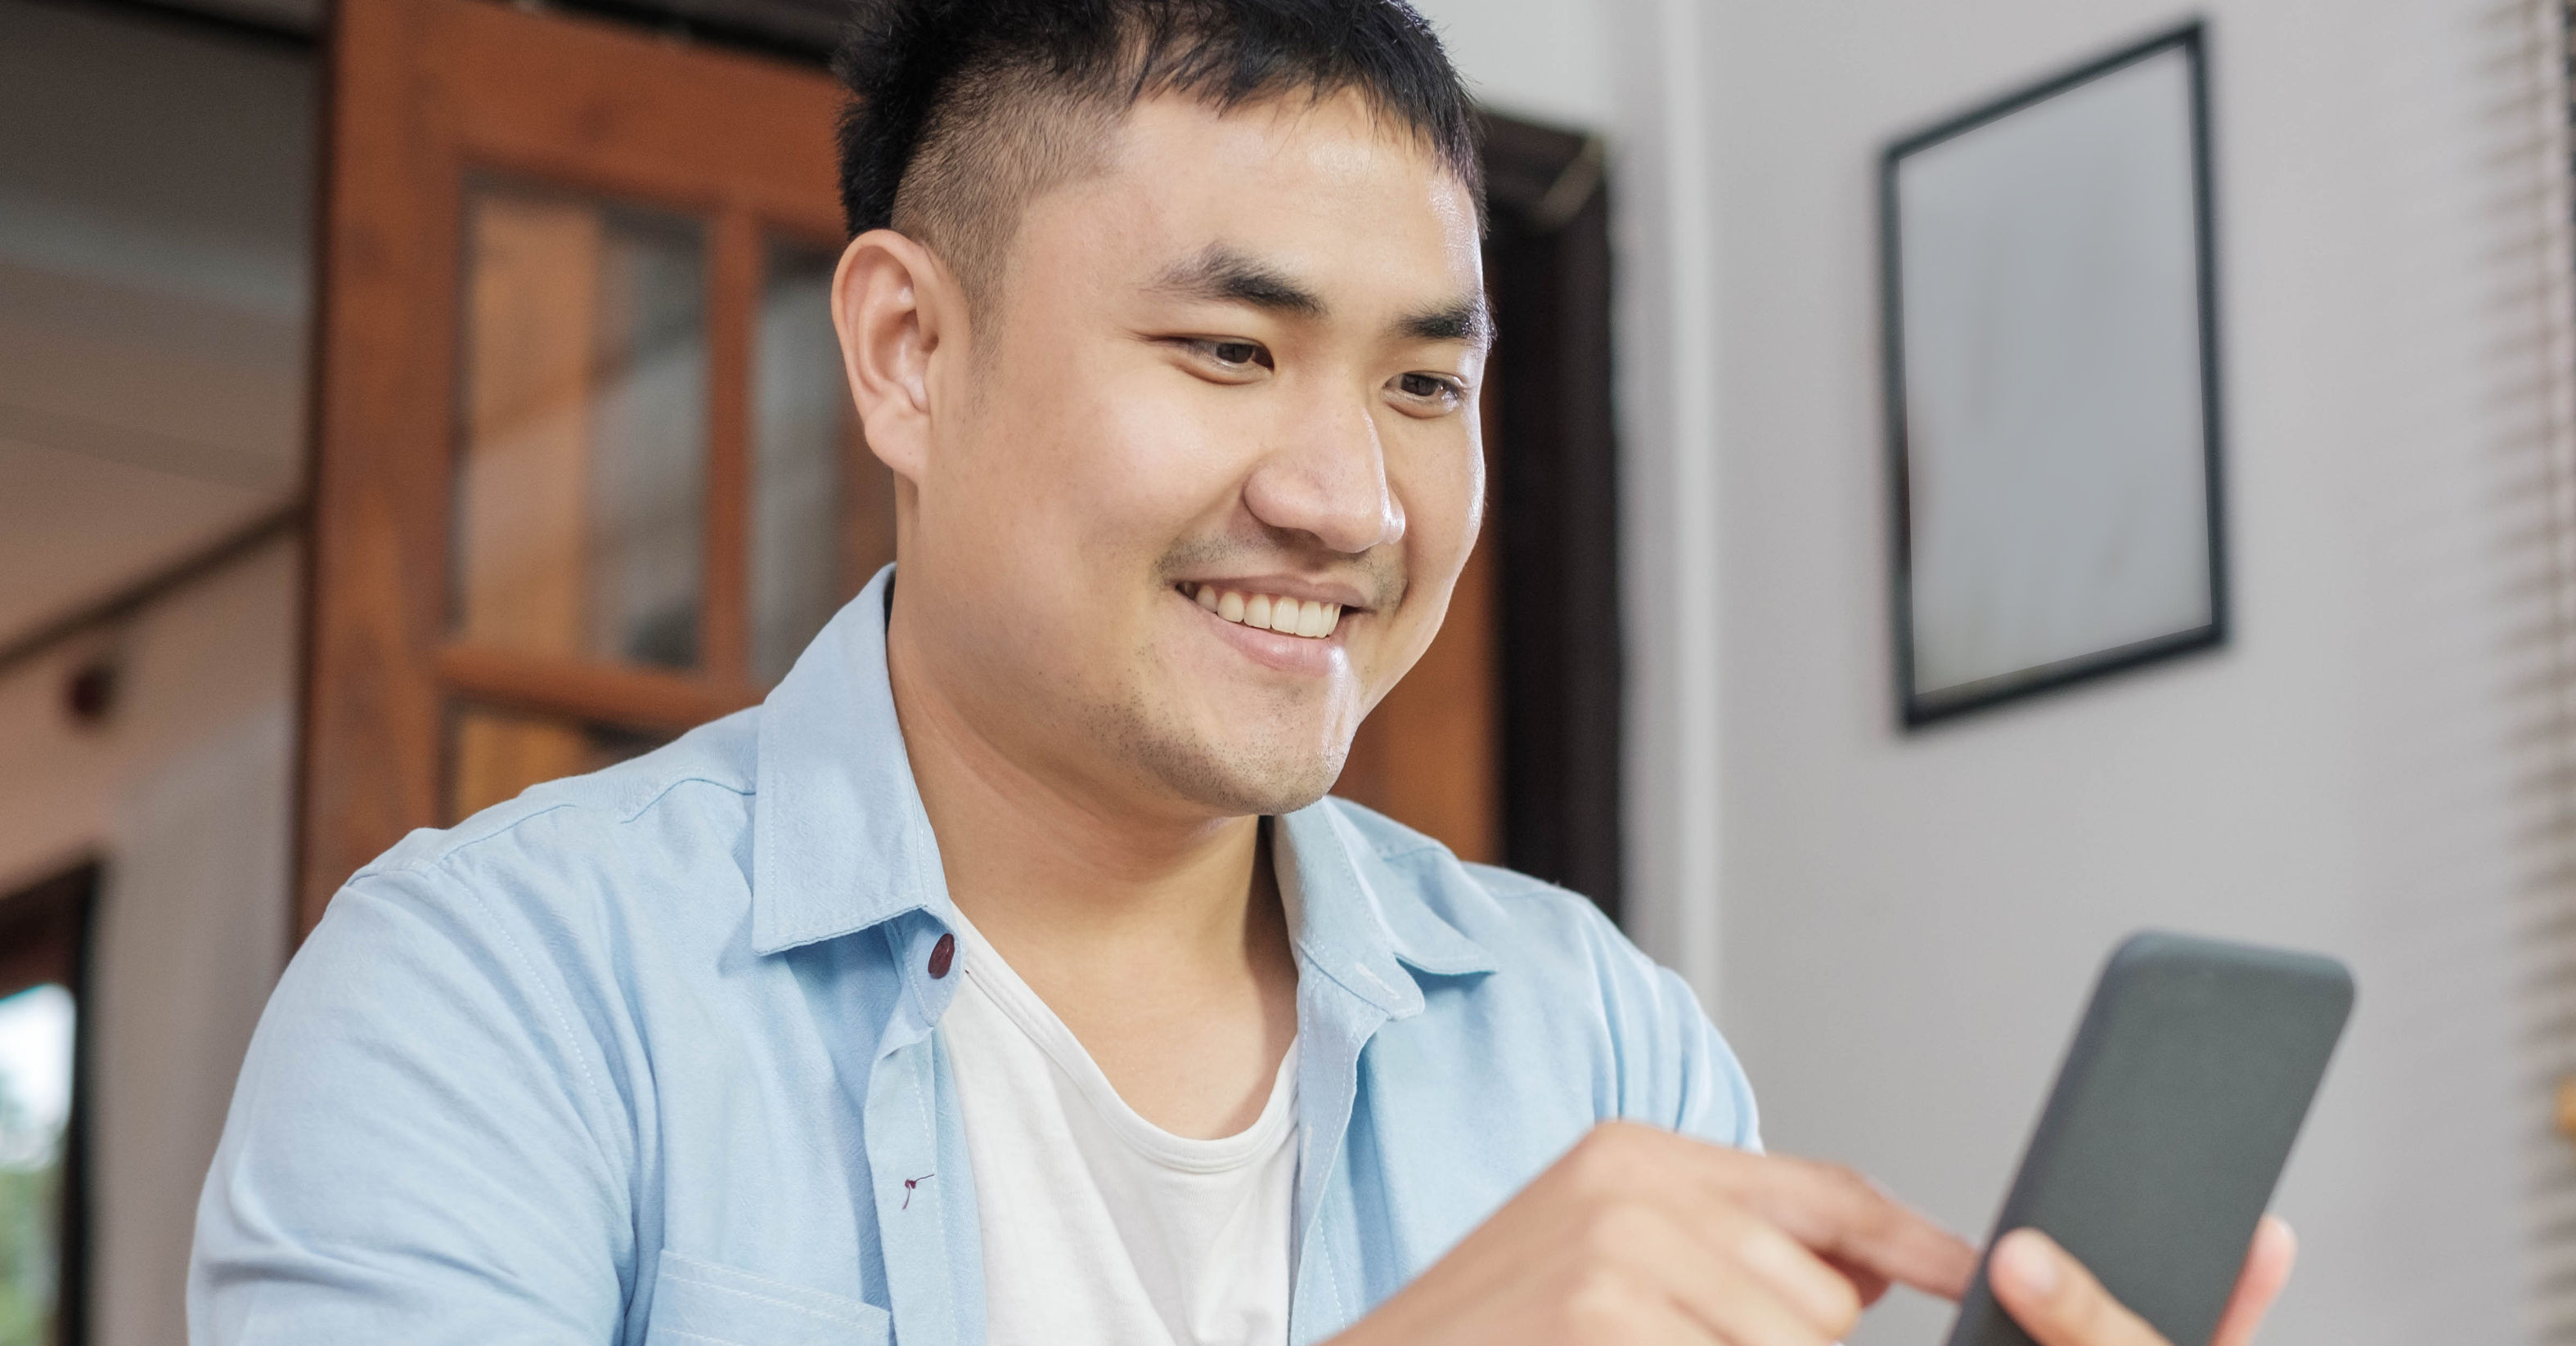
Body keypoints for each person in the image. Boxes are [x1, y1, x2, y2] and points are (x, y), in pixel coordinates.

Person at [190, 1, 2295, 1342]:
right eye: (1228, 351)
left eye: (1423, 383)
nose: (1351, 498)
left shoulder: (1593, 1040)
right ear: (911, 353)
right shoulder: (497, 993)